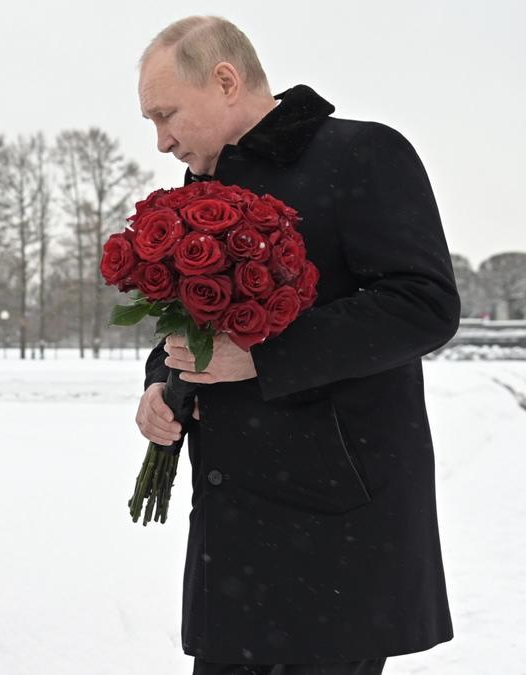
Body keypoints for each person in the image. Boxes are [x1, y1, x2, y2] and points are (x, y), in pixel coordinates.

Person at [133, 16, 459, 675]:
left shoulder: (364, 154)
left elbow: (424, 304)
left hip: (333, 535)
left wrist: (263, 356)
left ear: (225, 80)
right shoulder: (203, 191)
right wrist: (160, 383)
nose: (162, 140)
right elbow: (197, 322)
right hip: (233, 535)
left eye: (166, 114)